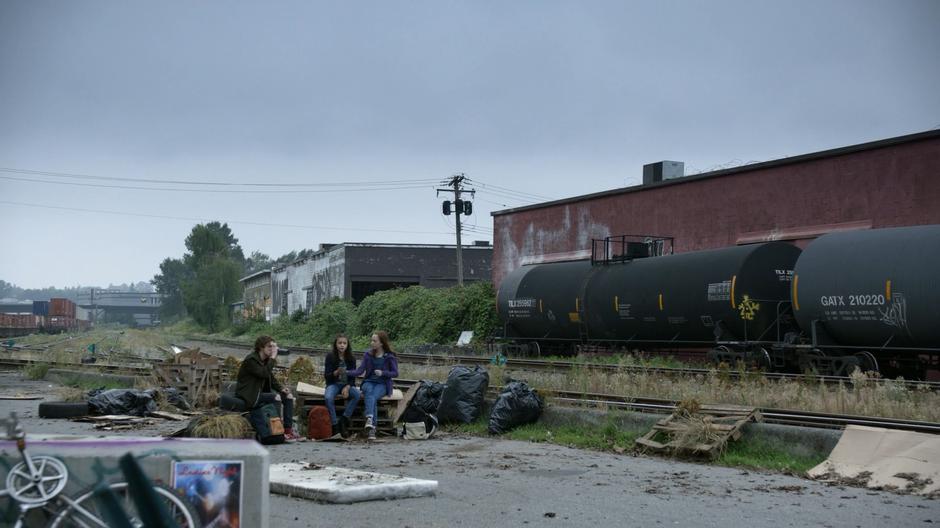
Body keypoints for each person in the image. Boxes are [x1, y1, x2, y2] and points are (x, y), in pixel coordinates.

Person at [235, 335, 301, 442]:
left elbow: (271, 378)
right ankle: (277, 430)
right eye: (269, 347)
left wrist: (281, 389)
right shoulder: (251, 360)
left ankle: (288, 431)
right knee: (276, 397)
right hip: (249, 395)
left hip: (259, 393)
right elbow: (264, 373)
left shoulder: (264, 360)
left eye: (273, 347)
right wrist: (273, 358)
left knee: (288, 396)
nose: (272, 349)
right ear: (261, 348)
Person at [347, 330, 399, 440]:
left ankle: (371, 424)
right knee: (369, 392)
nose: (372, 343)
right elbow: (360, 371)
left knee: (372, 397)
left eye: (374, 341)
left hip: (383, 384)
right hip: (368, 382)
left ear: (381, 343)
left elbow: (395, 373)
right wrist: (346, 372)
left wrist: (383, 373)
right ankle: (371, 423)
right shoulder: (368, 355)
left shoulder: (389, 357)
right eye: (371, 340)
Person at [323, 334, 362, 438]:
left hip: (346, 384)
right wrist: (335, 373)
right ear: (335, 344)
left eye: (344, 343)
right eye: (339, 343)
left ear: (347, 345)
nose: (342, 345)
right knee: (328, 397)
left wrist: (348, 386)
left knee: (357, 395)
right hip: (334, 384)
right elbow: (326, 376)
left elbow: (353, 377)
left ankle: (344, 420)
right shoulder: (330, 356)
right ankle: (334, 424)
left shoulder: (351, 358)